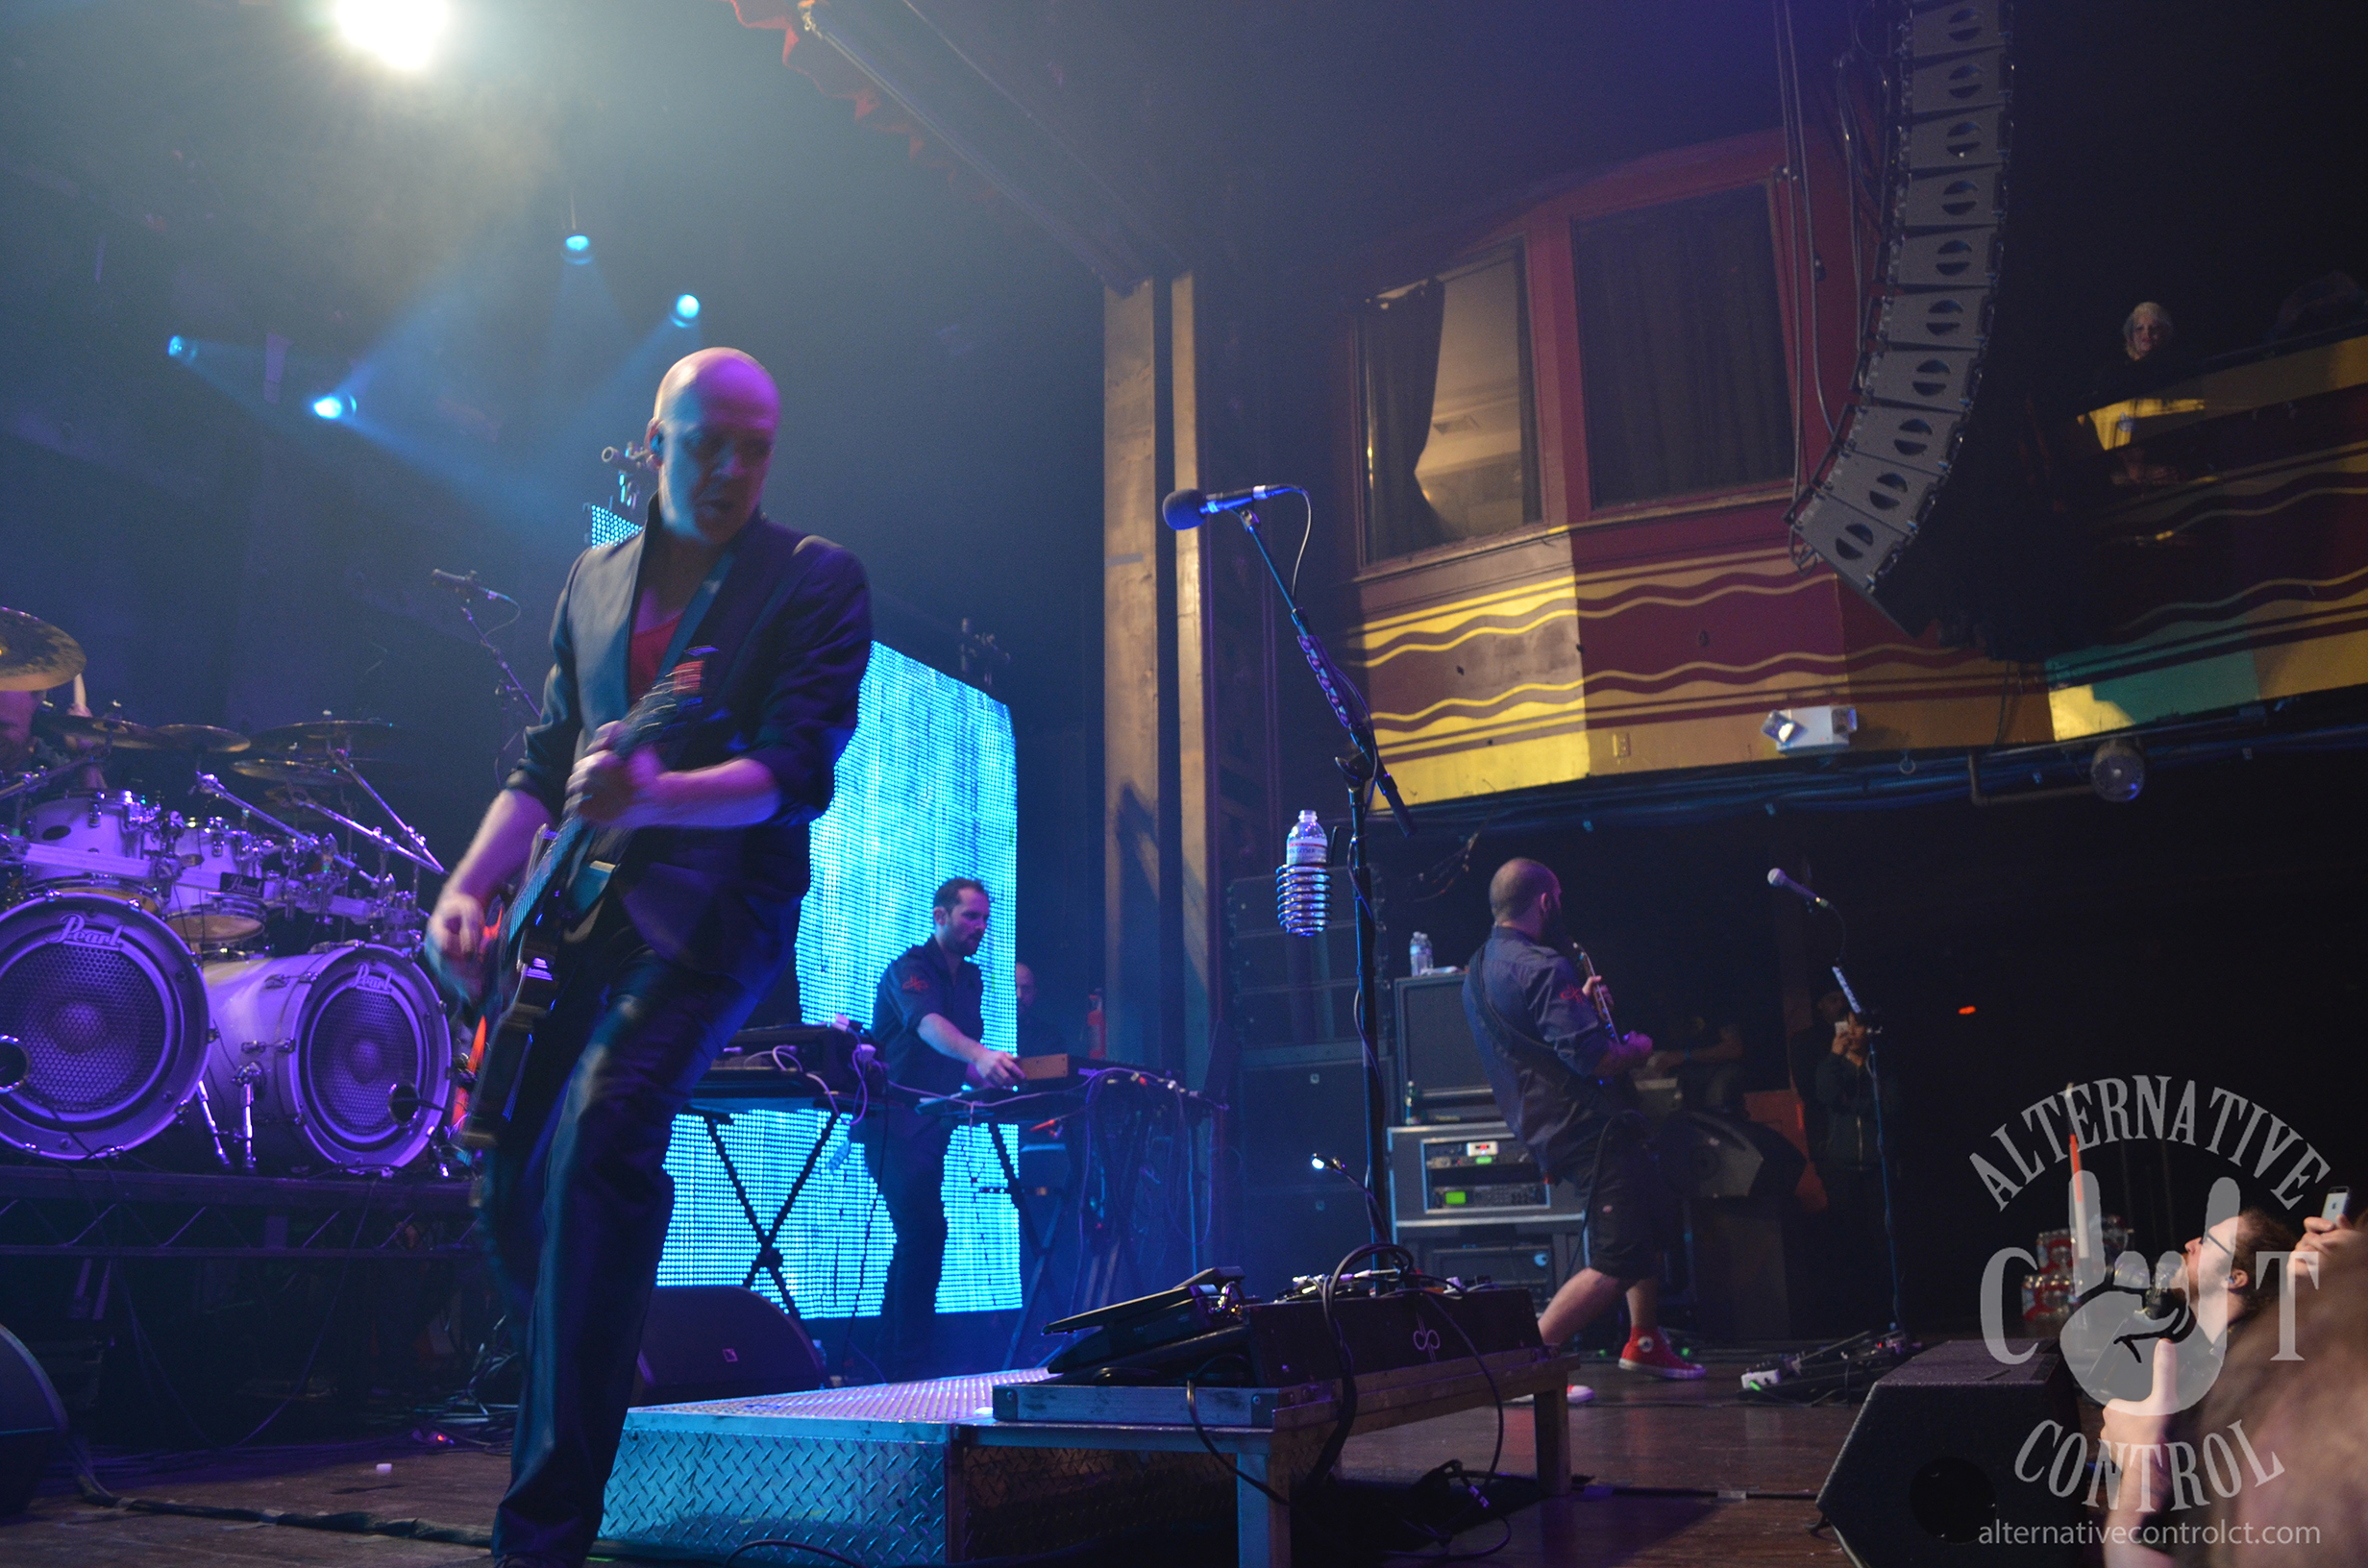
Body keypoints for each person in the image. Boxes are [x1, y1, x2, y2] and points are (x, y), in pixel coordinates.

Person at [426, 348, 872, 1568]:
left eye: (754, 448)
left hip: (714, 917)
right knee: (506, 1189)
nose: (731, 468)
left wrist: (656, 795)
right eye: (707, 442)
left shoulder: (813, 580)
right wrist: (469, 885)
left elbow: (794, 775)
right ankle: (605, 1357)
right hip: (575, 919)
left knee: (605, 1132)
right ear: (654, 443)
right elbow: (544, 764)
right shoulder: (594, 578)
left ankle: (542, 1537)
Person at [1462, 857, 1700, 1388]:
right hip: (1586, 1126)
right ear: (1546, 902)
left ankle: (1644, 1341)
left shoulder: (1478, 969)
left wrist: (1580, 1008)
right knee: (1617, 1259)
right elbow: (1595, 1060)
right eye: (1559, 900)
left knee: (1644, 1223)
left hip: (1545, 1123)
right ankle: (1523, 1365)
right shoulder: (1544, 965)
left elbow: (1535, 1038)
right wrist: (1638, 1048)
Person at [864, 878, 1024, 1382]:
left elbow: (962, 1059)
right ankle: (907, 1364)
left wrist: (1003, 1078)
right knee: (924, 1232)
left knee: (918, 1238)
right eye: (970, 916)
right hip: (894, 1123)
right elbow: (930, 1026)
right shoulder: (910, 970)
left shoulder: (971, 980)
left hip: (934, 1126)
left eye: (985, 918)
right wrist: (981, 1055)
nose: (980, 926)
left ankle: (892, 1361)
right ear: (941, 917)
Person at [2095, 1205, 2297, 1566]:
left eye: (2207, 1242)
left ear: (2234, 1278)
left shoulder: (2236, 1376)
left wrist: (2141, 1460)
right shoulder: (2217, 1354)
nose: (2190, 1244)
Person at [1813, 1008, 1899, 1329]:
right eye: (1846, 1025)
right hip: (1843, 1166)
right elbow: (1825, 1094)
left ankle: (1889, 1313)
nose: (1851, 1032)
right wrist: (1834, 1057)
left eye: (1857, 1025)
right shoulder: (1833, 1066)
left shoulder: (1880, 1066)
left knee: (1883, 1241)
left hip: (1877, 1166)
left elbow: (1890, 1106)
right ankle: (1855, 1318)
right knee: (1849, 1242)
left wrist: (1853, 1105)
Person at [1014, 961, 1067, 1059]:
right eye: (1013, 987)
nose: (1019, 995)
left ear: (1034, 993)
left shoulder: (1048, 1037)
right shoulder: (986, 1030)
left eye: (1026, 989)